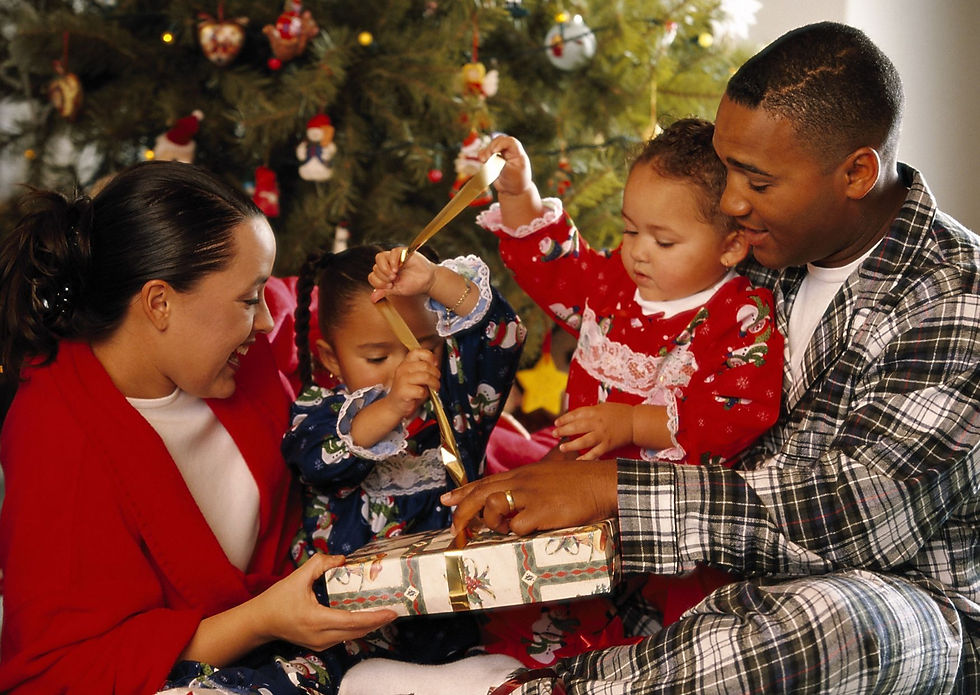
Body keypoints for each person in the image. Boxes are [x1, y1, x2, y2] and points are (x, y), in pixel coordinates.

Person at [442, 22, 980, 694]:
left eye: (756, 179)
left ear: (856, 172)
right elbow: (597, 292)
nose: (729, 203)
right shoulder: (756, 246)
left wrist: (610, 488)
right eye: (727, 171)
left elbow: (859, 515)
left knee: (830, 622)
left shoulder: (956, 297)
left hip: (888, 598)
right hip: (711, 566)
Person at [0, 160, 396, 694]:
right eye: (248, 298)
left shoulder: (231, 353)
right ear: (160, 303)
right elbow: (62, 671)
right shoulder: (57, 442)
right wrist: (261, 620)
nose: (265, 320)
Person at [476, 117, 784, 627]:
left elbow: (735, 416)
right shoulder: (617, 283)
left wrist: (633, 424)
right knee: (534, 591)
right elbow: (561, 268)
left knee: (639, 626)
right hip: (572, 486)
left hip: (659, 522)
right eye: (630, 229)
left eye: (663, 242)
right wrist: (520, 193)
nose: (638, 251)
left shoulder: (740, 317)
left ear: (730, 245)